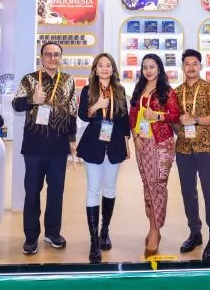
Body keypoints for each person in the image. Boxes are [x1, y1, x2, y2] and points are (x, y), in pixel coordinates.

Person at [12, 42, 78, 255]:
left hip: (59, 146)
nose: (52, 58)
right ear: (41, 57)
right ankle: (31, 237)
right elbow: (16, 105)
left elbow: (72, 111)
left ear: (61, 57)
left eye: (56, 54)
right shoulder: (29, 79)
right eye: (48, 54)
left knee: (56, 191)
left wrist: (72, 139)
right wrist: (32, 99)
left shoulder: (68, 81)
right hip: (34, 144)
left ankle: (52, 233)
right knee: (32, 191)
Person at [76, 53, 131, 263]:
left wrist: (126, 143)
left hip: (115, 142)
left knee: (110, 188)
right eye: (101, 65)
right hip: (93, 143)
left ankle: (104, 230)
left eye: (108, 65)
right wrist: (96, 106)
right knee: (93, 189)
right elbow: (82, 115)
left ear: (113, 69)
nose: (105, 68)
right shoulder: (87, 89)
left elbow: (124, 118)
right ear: (95, 69)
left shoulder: (120, 90)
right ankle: (93, 240)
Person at [129, 53, 181, 259]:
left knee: (158, 185)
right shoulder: (139, 89)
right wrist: (135, 137)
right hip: (142, 143)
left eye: (152, 66)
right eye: (145, 67)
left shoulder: (167, 91)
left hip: (162, 143)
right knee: (147, 186)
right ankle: (153, 227)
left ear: (159, 68)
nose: (148, 70)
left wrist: (157, 115)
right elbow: (133, 115)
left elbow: (175, 115)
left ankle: (155, 230)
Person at [174, 49, 210, 260]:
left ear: (200, 66)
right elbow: (174, 120)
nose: (191, 67)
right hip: (183, 149)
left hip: (206, 148)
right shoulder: (176, 92)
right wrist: (179, 125)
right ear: (183, 67)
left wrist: (194, 120)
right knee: (188, 193)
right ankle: (195, 233)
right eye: (187, 64)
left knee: (209, 193)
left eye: (195, 63)